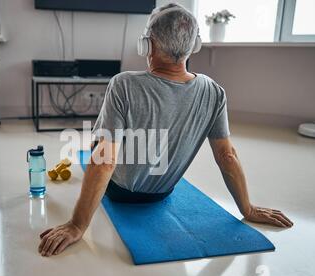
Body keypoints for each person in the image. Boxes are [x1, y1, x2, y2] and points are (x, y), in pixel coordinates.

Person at [39, 3, 293, 257]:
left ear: (148, 45)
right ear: (194, 45)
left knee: (101, 143)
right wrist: (247, 209)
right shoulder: (214, 91)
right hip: (162, 193)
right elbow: (227, 156)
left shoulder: (123, 84)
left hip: (120, 192)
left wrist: (77, 225)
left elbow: (104, 162)